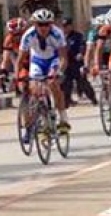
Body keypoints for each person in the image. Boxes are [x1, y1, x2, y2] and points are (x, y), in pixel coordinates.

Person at [16, 9, 71, 141]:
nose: (44, 27)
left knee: (53, 84)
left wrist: (59, 72)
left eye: (47, 24)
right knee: (34, 89)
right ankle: (42, 120)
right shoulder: (28, 35)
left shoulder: (57, 33)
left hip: (53, 60)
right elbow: (20, 58)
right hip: (37, 61)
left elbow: (63, 57)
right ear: (35, 24)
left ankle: (63, 119)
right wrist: (17, 77)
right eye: (40, 24)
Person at [60, 17, 95, 106]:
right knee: (66, 84)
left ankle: (93, 98)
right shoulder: (60, 37)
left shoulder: (78, 36)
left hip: (77, 63)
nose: (65, 28)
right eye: (63, 26)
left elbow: (82, 46)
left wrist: (81, 53)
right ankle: (66, 101)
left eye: (66, 26)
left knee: (83, 82)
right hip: (66, 63)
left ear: (71, 26)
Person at [0, 17, 27, 95]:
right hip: (19, 58)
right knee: (19, 74)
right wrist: (3, 72)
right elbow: (5, 59)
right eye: (13, 34)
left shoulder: (30, 36)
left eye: (19, 34)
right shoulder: (9, 39)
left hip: (33, 56)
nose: (16, 37)